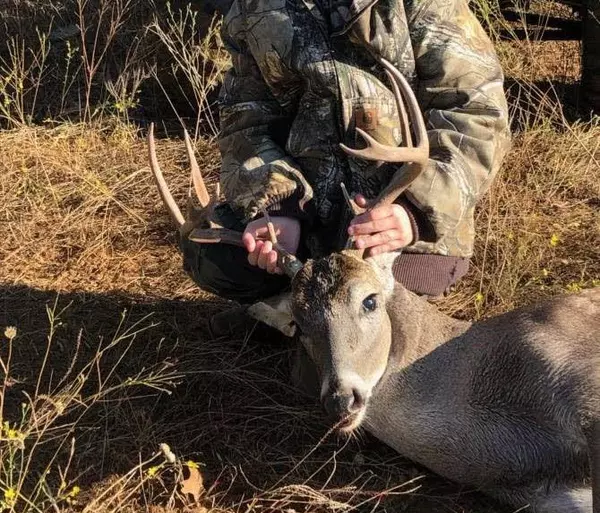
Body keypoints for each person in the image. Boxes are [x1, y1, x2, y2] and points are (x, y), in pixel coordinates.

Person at [183, 0, 511, 336]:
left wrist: (414, 210)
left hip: (394, 232)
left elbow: (478, 114)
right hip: (308, 227)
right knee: (213, 256)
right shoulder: (254, 8)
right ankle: (303, 312)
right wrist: (277, 205)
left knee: (371, 294)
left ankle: (292, 318)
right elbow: (246, 120)